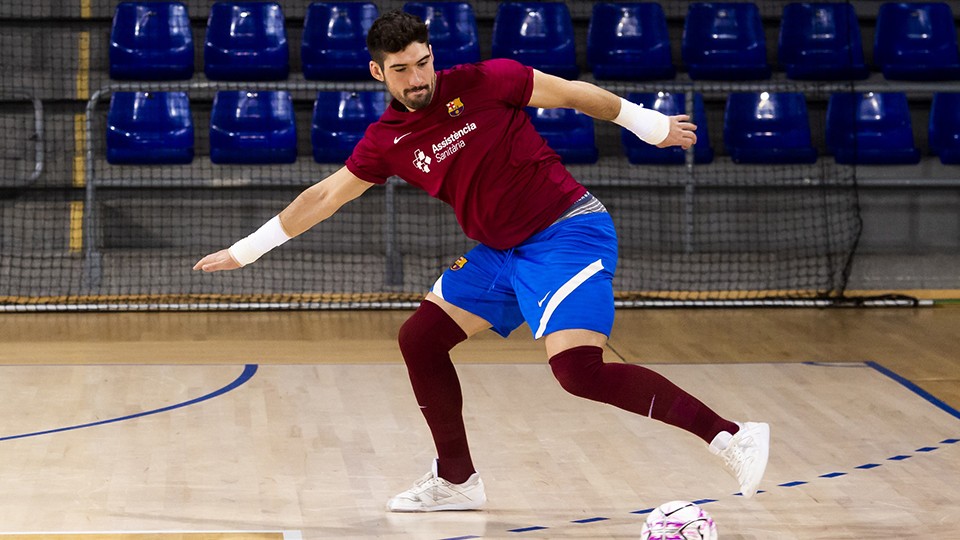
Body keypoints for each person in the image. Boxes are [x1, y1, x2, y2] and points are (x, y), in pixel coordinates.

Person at [194, 10, 770, 512]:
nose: (416, 78)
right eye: (401, 69)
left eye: (422, 63)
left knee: (578, 372)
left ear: (432, 57)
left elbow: (572, 93)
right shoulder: (387, 140)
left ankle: (731, 436)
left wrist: (651, 125)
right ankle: (456, 480)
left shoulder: (488, 81)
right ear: (378, 72)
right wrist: (246, 251)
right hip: (501, 251)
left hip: (566, 232)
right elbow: (323, 196)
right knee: (420, 339)